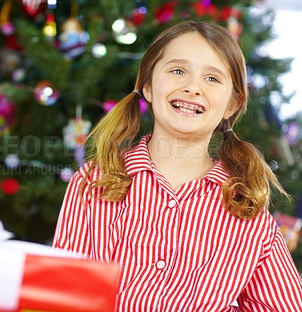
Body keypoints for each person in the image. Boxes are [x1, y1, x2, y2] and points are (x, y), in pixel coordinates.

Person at [52, 21, 302, 311]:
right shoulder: (95, 182)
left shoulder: (248, 213)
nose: (192, 87)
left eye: (212, 79)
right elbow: (65, 292)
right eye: (178, 71)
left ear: (232, 104)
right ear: (147, 85)